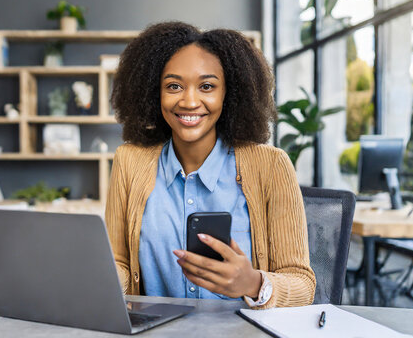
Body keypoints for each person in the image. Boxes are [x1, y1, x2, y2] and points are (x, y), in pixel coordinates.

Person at [105, 21, 315, 309]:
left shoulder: (271, 166)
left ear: (230, 94)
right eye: (174, 86)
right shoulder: (129, 162)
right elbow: (120, 263)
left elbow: (302, 284)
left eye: (207, 86)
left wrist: (253, 283)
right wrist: (98, 275)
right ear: (155, 93)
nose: (190, 101)